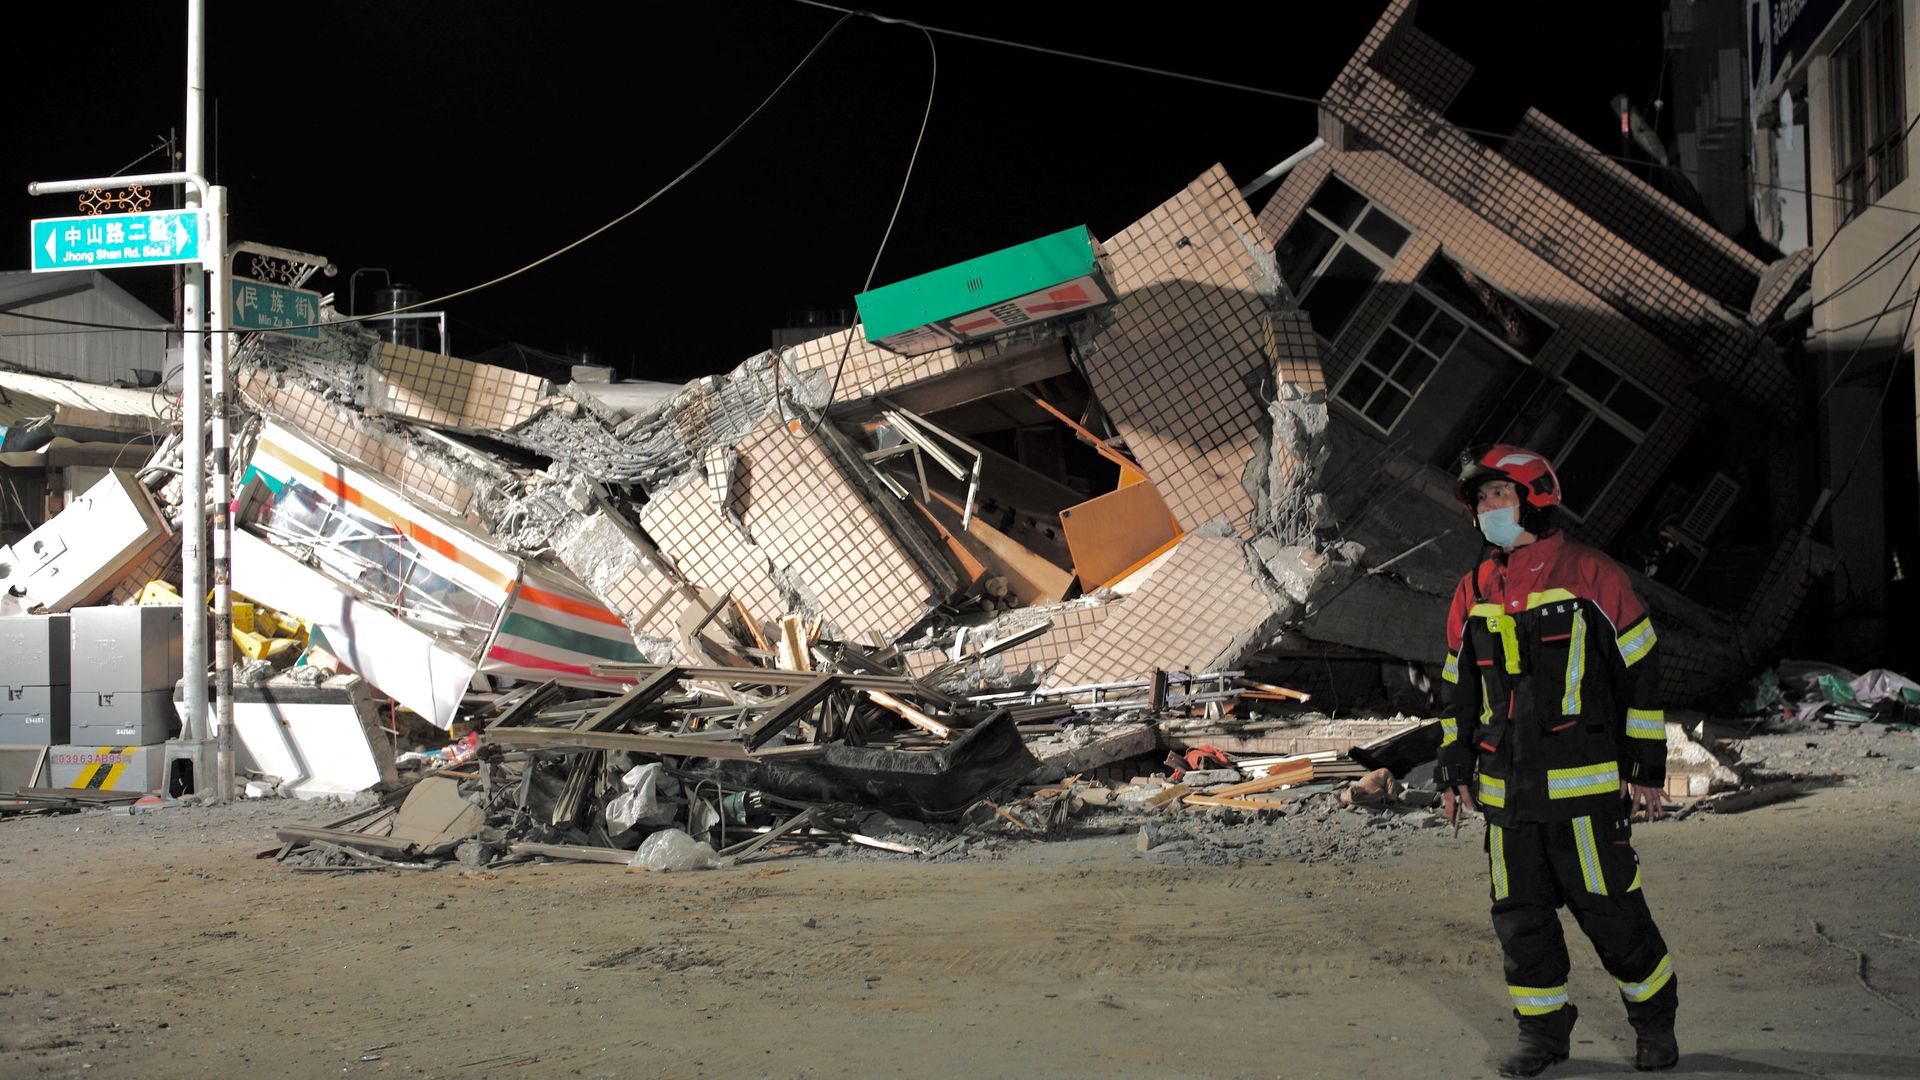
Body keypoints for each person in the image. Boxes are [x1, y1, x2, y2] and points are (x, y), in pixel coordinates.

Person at [1438, 444, 1679, 1076]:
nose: (1487, 509)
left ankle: (1654, 1023)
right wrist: (1453, 768)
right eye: (1480, 500)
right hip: (1504, 797)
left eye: (1498, 496)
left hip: (1583, 793)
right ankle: (1543, 1033)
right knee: (1520, 923)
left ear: (1535, 498)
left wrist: (1645, 768)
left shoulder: (1592, 574)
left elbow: (1641, 675)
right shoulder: (1473, 588)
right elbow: (1457, 689)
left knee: (1613, 914)